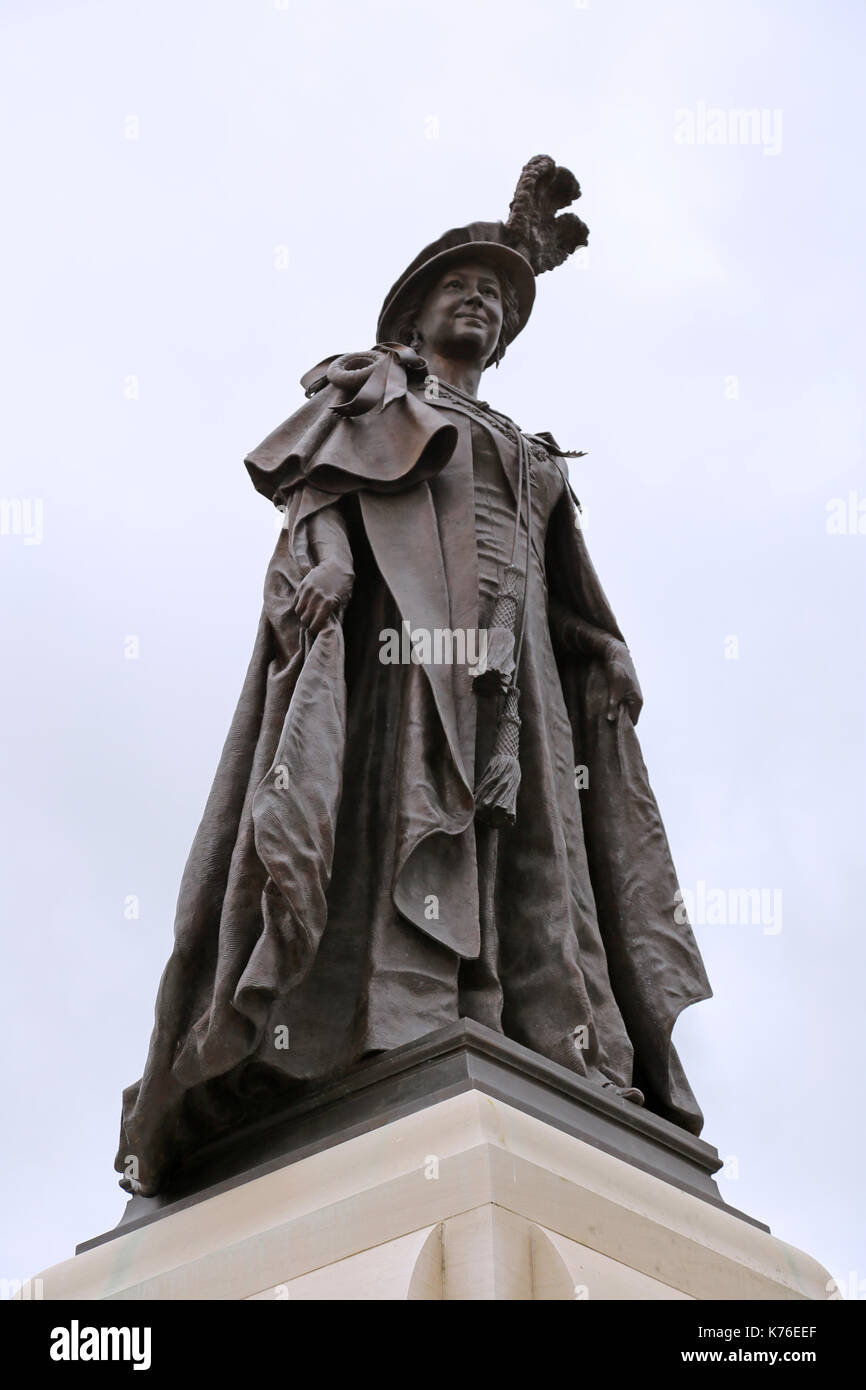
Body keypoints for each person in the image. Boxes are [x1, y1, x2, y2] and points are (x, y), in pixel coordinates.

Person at [116, 156, 711, 1198]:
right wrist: (332, 561)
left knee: (528, 836)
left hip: (517, 653)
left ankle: (516, 1020)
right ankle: (400, 1014)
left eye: (493, 295)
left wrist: (600, 646)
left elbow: (554, 569)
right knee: (408, 806)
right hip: (407, 630)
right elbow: (323, 489)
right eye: (457, 287)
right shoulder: (379, 388)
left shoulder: (525, 446)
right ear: (414, 316)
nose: (477, 301)